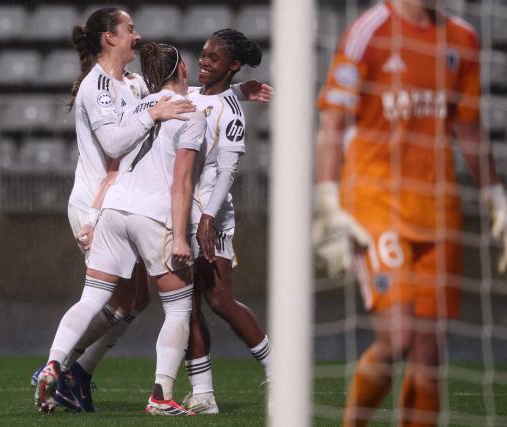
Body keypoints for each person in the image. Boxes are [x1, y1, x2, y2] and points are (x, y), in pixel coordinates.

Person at [313, 1, 507, 425]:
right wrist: (327, 197)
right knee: (397, 337)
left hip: (438, 210)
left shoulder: (463, 38)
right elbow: (333, 120)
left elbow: (469, 126)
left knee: (429, 354)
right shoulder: (369, 31)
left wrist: (496, 194)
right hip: (376, 204)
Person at [33, 7, 196, 413]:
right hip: (96, 205)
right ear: (110, 37)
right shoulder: (99, 87)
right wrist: (154, 113)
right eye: (130, 28)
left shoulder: (133, 82)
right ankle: (64, 366)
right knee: (113, 298)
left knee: (134, 299)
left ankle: (70, 371)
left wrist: (235, 92)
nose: (136, 36)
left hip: (115, 203)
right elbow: (113, 144)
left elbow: (174, 94)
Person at [67, 41, 205, 416]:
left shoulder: (134, 103)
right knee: (177, 305)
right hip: (143, 213)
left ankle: (67, 364)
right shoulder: (186, 112)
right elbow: (181, 182)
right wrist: (180, 236)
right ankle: (160, 395)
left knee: (125, 299)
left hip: (113, 210)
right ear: (183, 71)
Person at [180, 28, 274, 414]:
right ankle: (202, 393)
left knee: (219, 298)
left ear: (233, 65)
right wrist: (237, 90)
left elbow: (227, 172)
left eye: (213, 58)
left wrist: (207, 217)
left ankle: (277, 371)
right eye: (202, 54)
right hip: (177, 211)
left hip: (209, 213)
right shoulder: (187, 94)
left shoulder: (233, 115)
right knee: (183, 302)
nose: (203, 61)